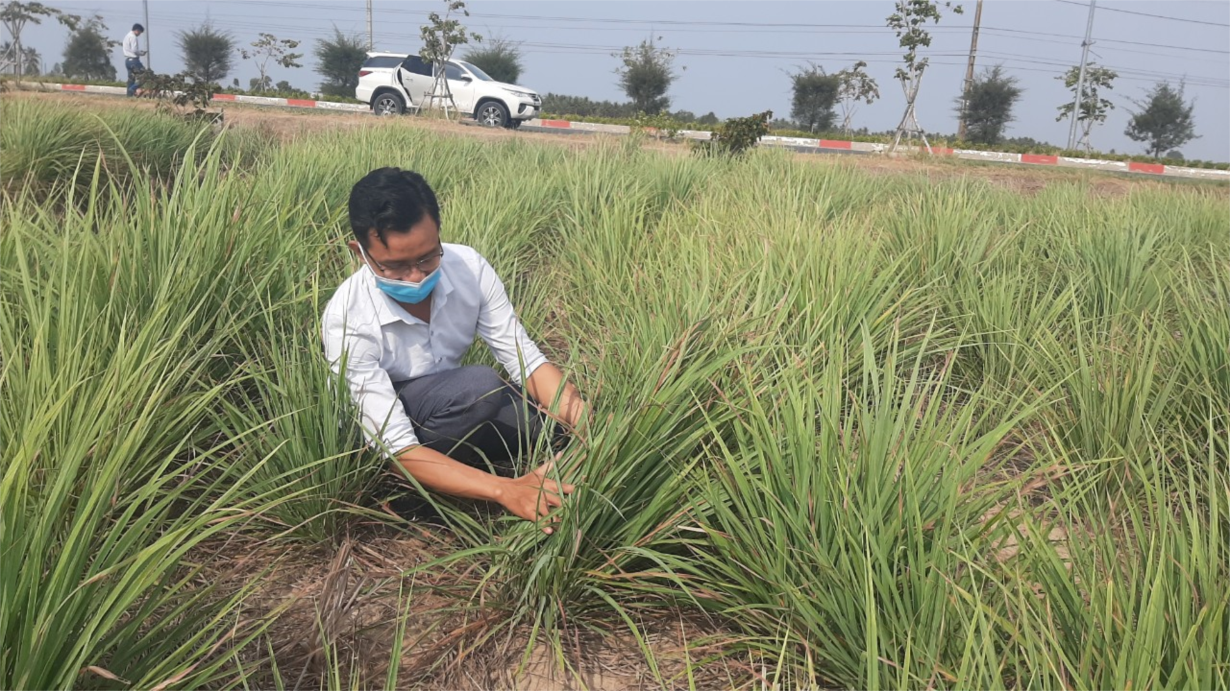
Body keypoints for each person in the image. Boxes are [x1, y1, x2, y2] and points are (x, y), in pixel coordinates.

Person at [322, 168, 587, 533]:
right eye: (396, 267)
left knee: (550, 427)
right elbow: (396, 448)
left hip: (453, 404)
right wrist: (505, 490)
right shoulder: (347, 317)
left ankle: (461, 470)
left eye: (428, 258)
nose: (416, 277)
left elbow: (524, 359)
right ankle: (411, 491)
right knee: (478, 385)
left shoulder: (470, 269)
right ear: (360, 253)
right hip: (387, 428)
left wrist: (591, 424)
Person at [122, 23, 147, 97]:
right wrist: (141, 53)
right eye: (140, 32)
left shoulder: (127, 36)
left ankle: (129, 96)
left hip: (127, 61)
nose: (139, 34)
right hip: (134, 60)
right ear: (137, 30)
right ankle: (132, 89)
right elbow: (134, 50)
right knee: (145, 76)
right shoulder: (133, 37)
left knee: (131, 79)